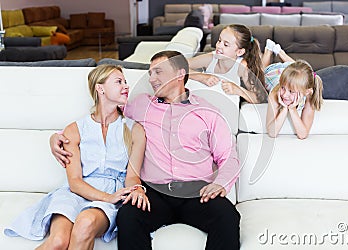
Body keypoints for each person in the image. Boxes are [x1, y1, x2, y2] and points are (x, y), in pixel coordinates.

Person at [48, 51, 241, 250]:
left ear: (179, 74)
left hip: (196, 191)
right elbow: (104, 118)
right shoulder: (140, 105)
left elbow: (228, 156)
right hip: (154, 192)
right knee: (129, 215)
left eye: (158, 72)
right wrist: (57, 137)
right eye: (150, 73)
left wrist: (220, 184)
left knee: (227, 215)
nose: (151, 79)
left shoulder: (208, 112)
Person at [4, 64, 147, 249]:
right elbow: (75, 181)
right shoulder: (74, 130)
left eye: (125, 82)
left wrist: (136, 190)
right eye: (119, 82)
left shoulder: (134, 130)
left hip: (112, 193)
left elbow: (132, 176)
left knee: (85, 223)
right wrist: (106, 197)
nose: (126, 86)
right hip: (74, 193)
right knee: (58, 241)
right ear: (100, 88)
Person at [188, 24, 267, 104]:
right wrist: (200, 77)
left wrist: (239, 90)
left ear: (239, 52)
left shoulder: (241, 67)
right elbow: (178, 67)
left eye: (226, 44)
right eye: (219, 40)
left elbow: (259, 98)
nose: (219, 46)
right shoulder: (211, 58)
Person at [266, 59, 323, 140]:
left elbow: (302, 134)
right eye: (283, 88)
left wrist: (292, 109)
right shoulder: (275, 94)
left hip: (291, 75)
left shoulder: (309, 95)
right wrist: (284, 109)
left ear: (306, 92)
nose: (285, 95)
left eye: (291, 92)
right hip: (273, 72)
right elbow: (272, 132)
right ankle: (269, 51)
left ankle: (281, 53)